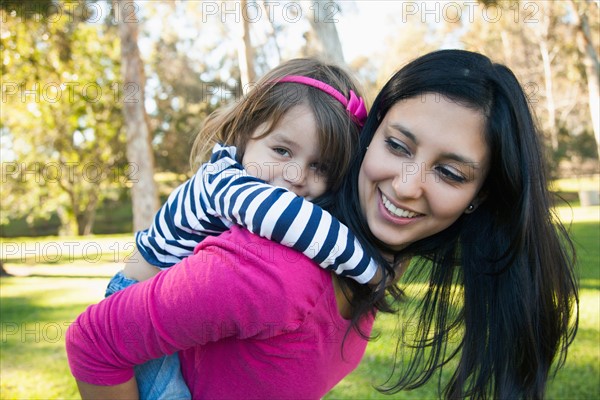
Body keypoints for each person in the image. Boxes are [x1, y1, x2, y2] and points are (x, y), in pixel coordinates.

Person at [66, 50, 578, 399]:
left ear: (478, 197)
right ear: (370, 139)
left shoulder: (369, 255)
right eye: (398, 145)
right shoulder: (273, 267)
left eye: (448, 171)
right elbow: (92, 342)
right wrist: (373, 271)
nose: (405, 185)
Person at [103, 57, 377, 399]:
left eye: (320, 167)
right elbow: (289, 218)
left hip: (171, 306)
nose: (295, 177)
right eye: (281, 151)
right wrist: (371, 269)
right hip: (132, 298)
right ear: (247, 136)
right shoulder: (225, 182)